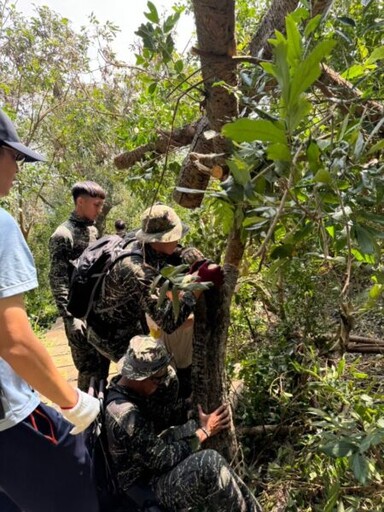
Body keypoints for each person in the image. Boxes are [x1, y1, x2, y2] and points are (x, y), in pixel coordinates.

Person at [0, 108, 100, 511]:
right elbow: (13, 340)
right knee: (75, 483)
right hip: (10, 421)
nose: (18, 170)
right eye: (15, 158)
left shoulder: (93, 231)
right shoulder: (6, 227)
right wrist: (70, 401)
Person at [105, 335, 262, 511]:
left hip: (151, 460)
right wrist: (204, 431)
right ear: (140, 378)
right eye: (157, 379)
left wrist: (193, 413)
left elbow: (165, 415)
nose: (161, 383)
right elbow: (163, 459)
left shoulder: (133, 391)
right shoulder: (124, 416)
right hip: (145, 488)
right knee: (209, 463)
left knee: (195, 433)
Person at [87, 204, 221, 391]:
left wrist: (183, 251)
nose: (179, 239)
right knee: (149, 380)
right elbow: (169, 320)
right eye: (175, 237)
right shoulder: (136, 270)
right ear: (159, 239)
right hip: (112, 335)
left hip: (131, 321)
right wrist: (197, 285)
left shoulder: (143, 242)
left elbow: (168, 252)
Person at [49, 180, 110, 391]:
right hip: (77, 313)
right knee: (88, 370)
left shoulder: (92, 230)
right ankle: (87, 418)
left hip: (96, 311)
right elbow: (58, 279)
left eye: (102, 205)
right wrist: (70, 317)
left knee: (103, 364)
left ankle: (103, 412)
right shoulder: (62, 235)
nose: (100, 210)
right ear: (81, 202)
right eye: (96, 205)